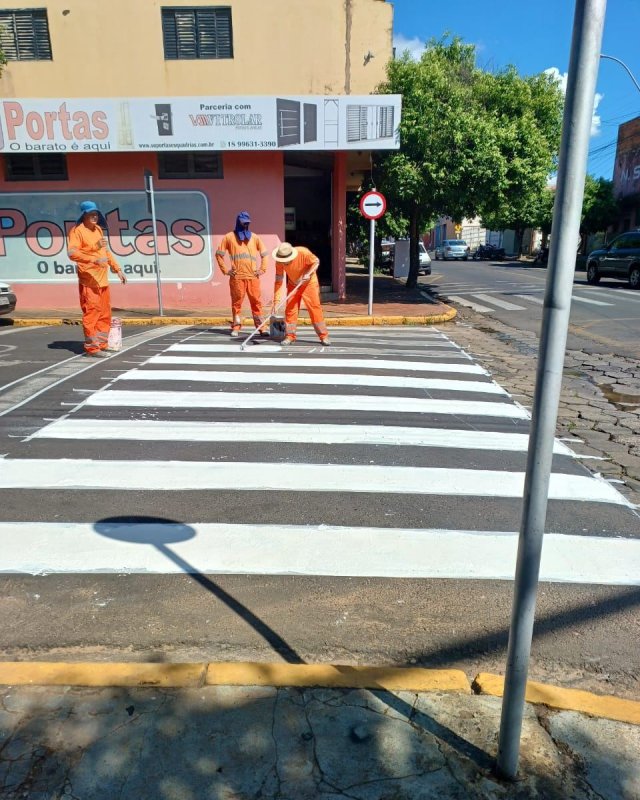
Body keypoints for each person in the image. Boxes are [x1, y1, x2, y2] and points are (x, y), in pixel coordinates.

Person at [67, 200, 127, 358]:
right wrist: (94, 257)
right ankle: (92, 349)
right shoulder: (77, 231)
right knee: (92, 315)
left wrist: (117, 269)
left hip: (102, 280)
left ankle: (101, 345)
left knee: (104, 315)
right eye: (91, 214)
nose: (95, 217)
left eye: (96, 214)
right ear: (84, 216)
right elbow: (72, 253)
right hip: (89, 281)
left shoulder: (99, 229)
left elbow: (106, 252)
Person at [215, 211, 269, 337]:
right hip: (237, 278)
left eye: (247, 223)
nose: (245, 225)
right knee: (236, 304)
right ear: (238, 223)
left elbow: (265, 254)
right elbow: (219, 255)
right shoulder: (229, 237)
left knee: (256, 303)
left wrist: (262, 269)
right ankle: (236, 327)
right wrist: (226, 270)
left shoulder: (254, 237)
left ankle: (261, 328)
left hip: (253, 277)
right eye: (243, 223)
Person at [272, 242, 331, 346]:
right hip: (293, 284)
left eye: (286, 261)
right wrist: (276, 302)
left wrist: (308, 274)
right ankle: (290, 336)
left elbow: (316, 262)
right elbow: (278, 281)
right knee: (290, 310)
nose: (284, 263)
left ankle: (323, 336)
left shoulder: (303, 253)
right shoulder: (279, 261)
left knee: (314, 308)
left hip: (309, 283)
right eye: (282, 261)